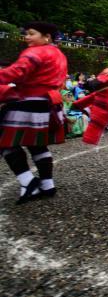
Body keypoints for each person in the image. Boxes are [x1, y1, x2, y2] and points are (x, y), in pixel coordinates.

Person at [0, 22, 67, 204]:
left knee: (5, 142)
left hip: (28, 101)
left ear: (47, 37)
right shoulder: (59, 54)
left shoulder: (35, 52)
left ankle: (27, 181)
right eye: (27, 34)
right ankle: (47, 184)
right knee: (36, 144)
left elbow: (17, 72)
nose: (27, 37)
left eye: (31, 34)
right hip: (49, 102)